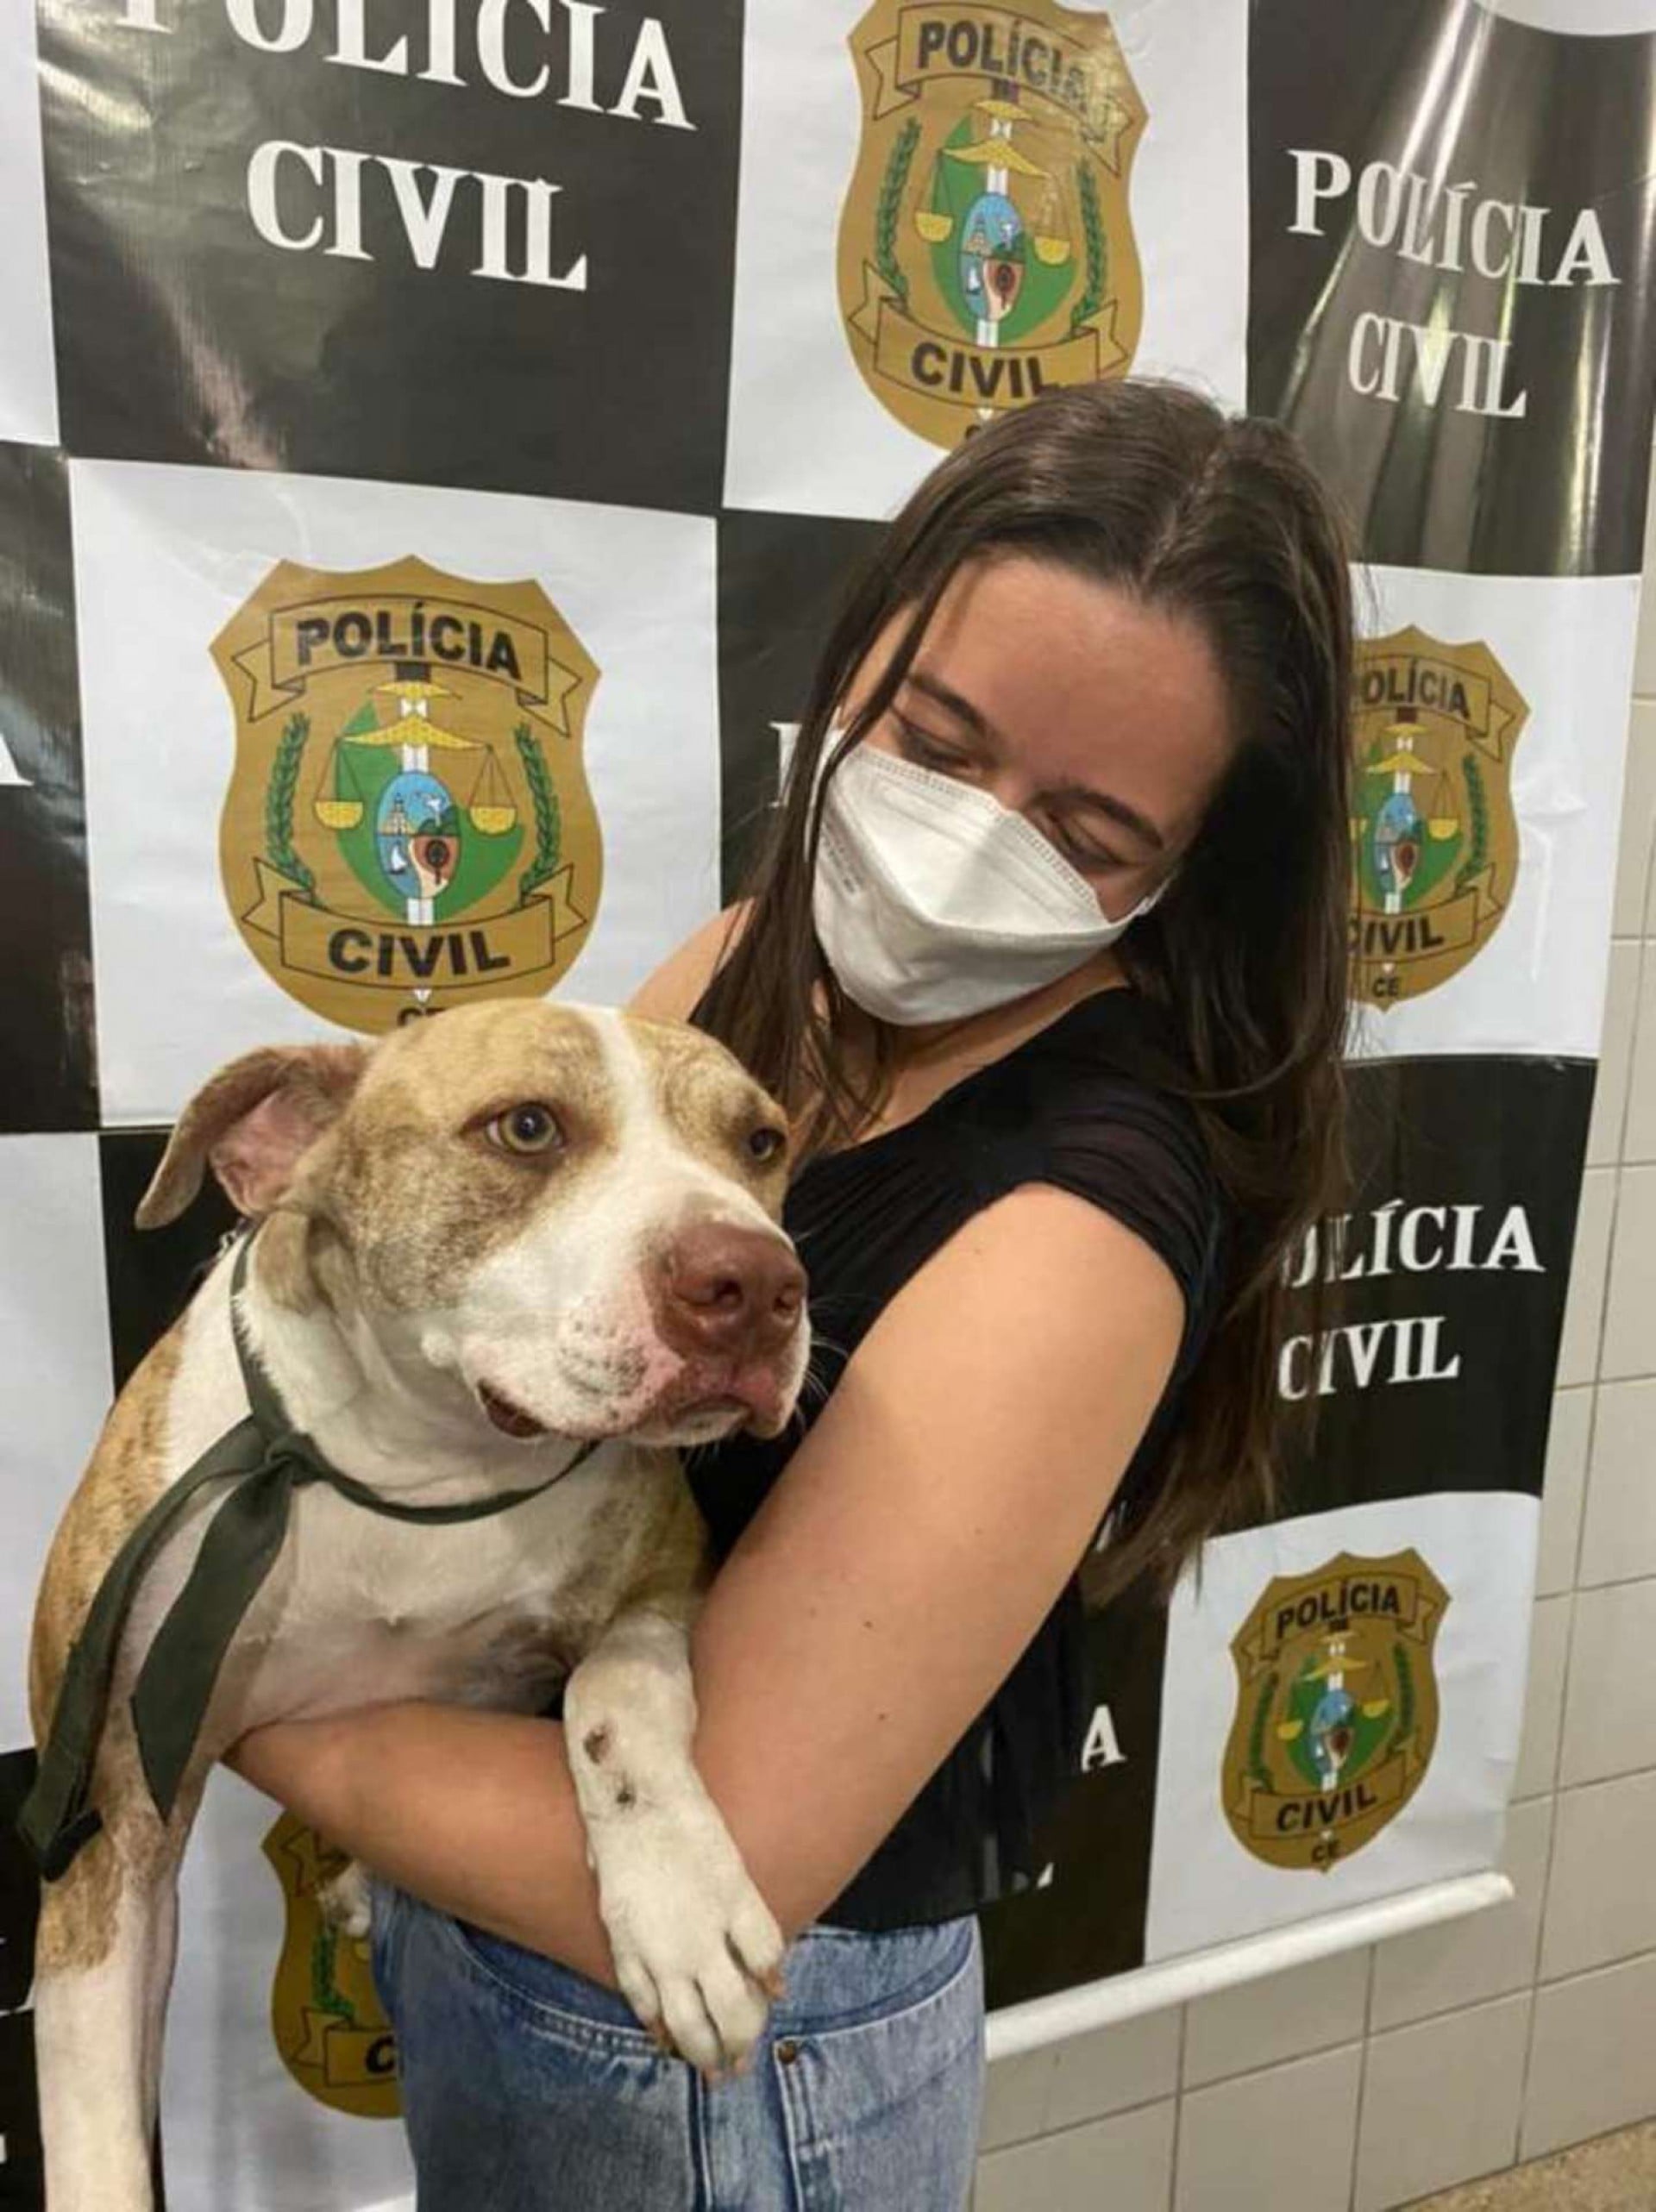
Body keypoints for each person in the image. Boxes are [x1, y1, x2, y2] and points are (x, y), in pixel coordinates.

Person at [228, 376, 1354, 2209]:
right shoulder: (758, 961)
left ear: (1188, 871)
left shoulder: (1084, 1213)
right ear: (858, 656)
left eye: (1085, 835)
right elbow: (521, 1325)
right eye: (933, 736)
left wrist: (213, 1686)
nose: (964, 838)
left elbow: (733, 1845)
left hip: (724, 2039)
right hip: (491, 1908)